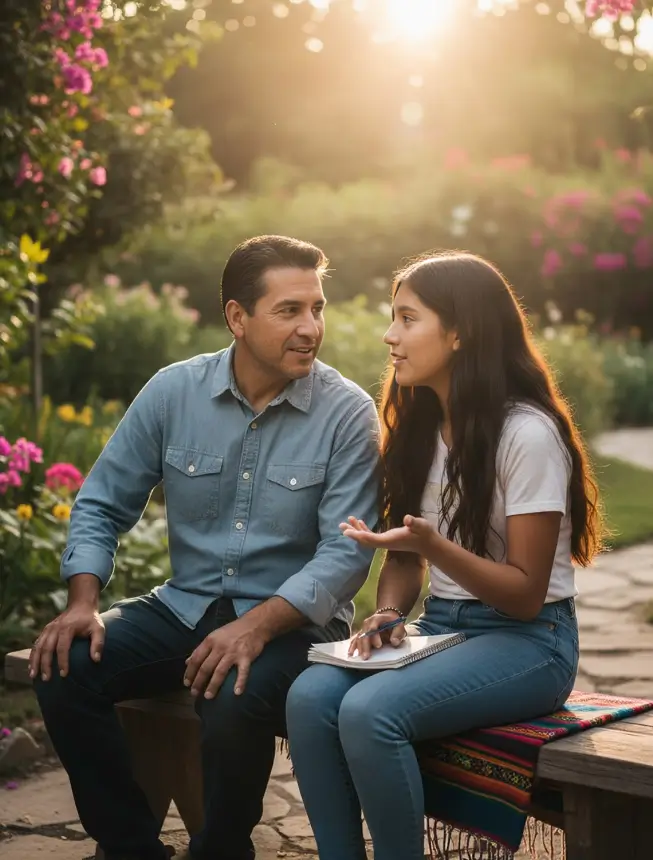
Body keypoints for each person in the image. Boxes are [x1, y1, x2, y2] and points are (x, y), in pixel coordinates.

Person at [30, 235, 380, 860]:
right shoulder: (173, 392)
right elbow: (103, 499)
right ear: (237, 318)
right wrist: (83, 600)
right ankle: (133, 848)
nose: (310, 328)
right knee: (64, 668)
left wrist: (255, 626)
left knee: (231, 698)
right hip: (184, 607)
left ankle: (220, 849)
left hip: (293, 624)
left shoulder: (347, 413)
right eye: (289, 310)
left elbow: (346, 552)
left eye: (317, 309)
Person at [286, 252, 603, 860]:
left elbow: (525, 593)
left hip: (531, 643)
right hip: (444, 629)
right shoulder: (419, 426)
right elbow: (404, 562)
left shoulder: (526, 435)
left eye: (408, 319)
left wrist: (435, 546)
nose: (390, 336)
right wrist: (386, 611)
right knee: (309, 698)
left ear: (459, 332)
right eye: (393, 318)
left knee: (370, 713)